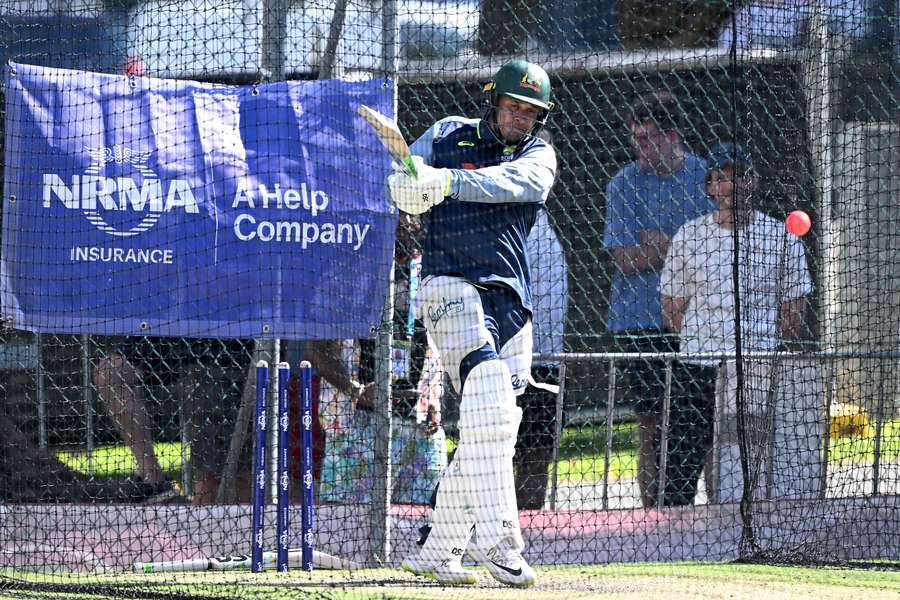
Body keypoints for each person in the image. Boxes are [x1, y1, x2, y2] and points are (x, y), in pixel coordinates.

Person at [388, 59, 557, 588]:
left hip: (510, 300)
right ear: (493, 100)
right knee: (487, 393)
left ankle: (439, 550)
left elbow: (516, 185)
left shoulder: (539, 153)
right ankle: (500, 543)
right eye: (512, 107)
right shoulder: (445, 134)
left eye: (530, 113)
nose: (519, 119)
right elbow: (402, 181)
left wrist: (447, 182)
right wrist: (409, 189)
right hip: (447, 286)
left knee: (497, 430)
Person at [659, 142, 812, 505]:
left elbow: (793, 311)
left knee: (750, 461)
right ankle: (675, 533)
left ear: (754, 182)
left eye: (740, 175)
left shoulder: (781, 236)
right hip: (699, 364)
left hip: (756, 366)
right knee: (683, 460)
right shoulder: (690, 235)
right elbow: (672, 306)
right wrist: (702, 340)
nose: (731, 185)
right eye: (721, 177)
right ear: (709, 187)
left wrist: (761, 345)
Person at [602, 90, 714, 508]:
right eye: (636, 138)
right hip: (640, 319)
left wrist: (663, 245)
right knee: (651, 422)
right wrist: (685, 246)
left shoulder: (706, 177)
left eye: (648, 138)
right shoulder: (624, 184)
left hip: (698, 320)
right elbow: (626, 259)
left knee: (701, 422)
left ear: (673, 135)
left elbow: (714, 249)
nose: (640, 147)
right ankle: (651, 519)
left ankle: (712, 512)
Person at [93, 337, 252, 504]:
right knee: (109, 372)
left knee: (214, 480)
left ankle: (210, 503)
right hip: (171, 335)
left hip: (221, 346)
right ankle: (152, 480)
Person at [514, 205, 568, 510]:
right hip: (506, 360)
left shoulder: (541, 231)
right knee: (495, 450)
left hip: (544, 361)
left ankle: (528, 524)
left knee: (535, 453)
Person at [717, 0, 868, 49]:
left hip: (810, 54)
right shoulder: (751, 9)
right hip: (761, 66)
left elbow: (858, 31)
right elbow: (726, 40)